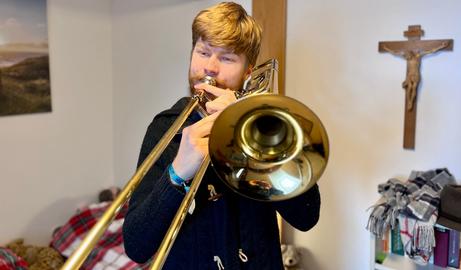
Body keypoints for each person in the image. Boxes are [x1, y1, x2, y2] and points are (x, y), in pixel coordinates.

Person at [122, 2, 321, 270]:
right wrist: (177, 173)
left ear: (248, 71)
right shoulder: (165, 127)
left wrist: (252, 135)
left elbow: (307, 215)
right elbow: (136, 246)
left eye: (227, 58)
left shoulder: (267, 126)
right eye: (203, 52)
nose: (210, 68)